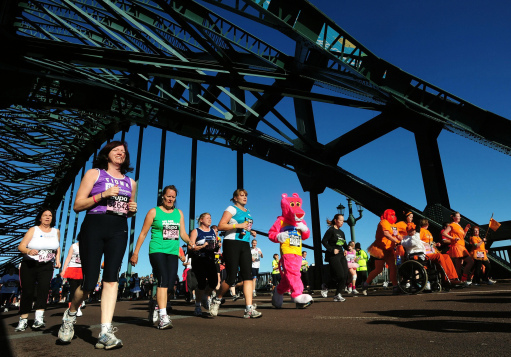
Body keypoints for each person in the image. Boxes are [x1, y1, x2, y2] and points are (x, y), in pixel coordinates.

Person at [58, 141, 137, 349]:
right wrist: (103, 194)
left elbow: (127, 211)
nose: (120, 153)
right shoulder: (95, 174)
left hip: (119, 228)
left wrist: (132, 210)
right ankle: (70, 315)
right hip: (94, 226)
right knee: (89, 283)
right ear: (107, 154)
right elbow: (77, 205)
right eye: (116, 150)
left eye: (123, 151)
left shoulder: (131, 182)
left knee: (111, 279)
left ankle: (105, 331)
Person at [130, 185, 190, 329]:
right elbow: (143, 233)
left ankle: (155, 304)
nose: (170, 199)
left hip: (172, 252)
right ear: (163, 196)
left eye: (173, 197)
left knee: (169, 285)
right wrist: (136, 253)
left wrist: (190, 242)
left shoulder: (179, 213)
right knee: (162, 279)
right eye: (168, 196)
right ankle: (163, 316)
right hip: (157, 250)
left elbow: (182, 234)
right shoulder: (153, 212)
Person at [209, 189, 262, 318]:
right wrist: (238, 226)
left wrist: (251, 231)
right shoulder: (231, 209)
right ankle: (217, 299)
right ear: (235, 198)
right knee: (231, 277)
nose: (244, 198)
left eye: (246, 196)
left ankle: (249, 309)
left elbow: (245, 227)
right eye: (241, 195)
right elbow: (221, 226)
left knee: (247, 276)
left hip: (244, 243)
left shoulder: (248, 212)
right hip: (231, 243)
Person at [15, 209, 61, 331]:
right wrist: (28, 251)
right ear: (40, 218)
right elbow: (21, 246)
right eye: (45, 215)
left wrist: (57, 259)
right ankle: (23, 320)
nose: (47, 217)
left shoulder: (56, 231)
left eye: (50, 215)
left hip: (46, 265)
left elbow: (57, 246)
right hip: (30, 263)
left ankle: (39, 319)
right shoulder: (33, 230)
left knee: (44, 289)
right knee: (28, 291)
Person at [362, 209, 402, 295]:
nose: (393, 216)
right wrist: (396, 240)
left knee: (393, 268)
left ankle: (395, 287)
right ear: (387, 215)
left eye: (394, 215)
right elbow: (386, 234)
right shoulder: (383, 222)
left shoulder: (394, 225)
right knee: (378, 269)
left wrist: (403, 239)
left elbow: (397, 235)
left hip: (389, 250)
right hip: (379, 249)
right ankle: (366, 284)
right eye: (391, 215)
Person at [188, 213, 219, 316]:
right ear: (201, 220)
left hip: (210, 259)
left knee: (214, 282)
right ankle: (197, 306)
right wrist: (202, 246)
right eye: (207, 218)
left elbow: (215, 248)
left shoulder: (213, 231)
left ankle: (205, 295)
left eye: (210, 218)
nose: (210, 220)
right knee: (201, 283)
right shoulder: (196, 231)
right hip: (199, 259)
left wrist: (217, 246)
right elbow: (190, 246)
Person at [419, 219, 461, 285]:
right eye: (427, 223)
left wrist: (435, 244)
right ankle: (446, 279)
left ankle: (453, 277)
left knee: (446, 256)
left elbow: (430, 242)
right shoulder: (420, 231)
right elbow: (419, 242)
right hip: (426, 254)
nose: (428, 225)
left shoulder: (428, 232)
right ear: (426, 224)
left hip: (432, 252)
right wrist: (428, 244)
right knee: (439, 256)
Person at [321, 214, 349, 302]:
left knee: (345, 275)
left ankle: (337, 294)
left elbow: (344, 244)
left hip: (341, 255)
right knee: (339, 275)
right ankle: (326, 286)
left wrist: (347, 249)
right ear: (336, 220)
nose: (342, 222)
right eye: (340, 220)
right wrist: (332, 250)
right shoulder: (331, 230)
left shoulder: (342, 232)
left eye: (343, 221)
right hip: (333, 255)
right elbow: (324, 241)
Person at [442, 212, 474, 283]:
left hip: (462, 246)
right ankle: (463, 278)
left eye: (459, 216)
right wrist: (453, 238)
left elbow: (462, 237)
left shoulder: (459, 226)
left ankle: (457, 280)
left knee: (458, 266)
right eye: (458, 216)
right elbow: (444, 233)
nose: (460, 217)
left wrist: (465, 230)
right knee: (470, 261)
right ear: (454, 217)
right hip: (457, 246)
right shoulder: (451, 225)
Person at [61, 240, 85, 316]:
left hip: (83, 270)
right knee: (73, 290)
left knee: (81, 290)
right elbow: (68, 258)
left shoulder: (88, 246)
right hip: (73, 269)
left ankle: (78, 307)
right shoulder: (74, 246)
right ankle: (71, 307)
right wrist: (64, 270)